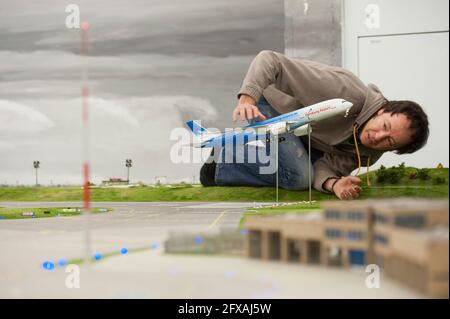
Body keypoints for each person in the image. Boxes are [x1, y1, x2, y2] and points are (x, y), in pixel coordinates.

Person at [200, 50, 429, 200]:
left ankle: (226, 155)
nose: (377, 137)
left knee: (306, 174)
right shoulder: (344, 92)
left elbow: (325, 167)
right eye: (385, 126)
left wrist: (334, 184)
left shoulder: (370, 152)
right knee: (300, 177)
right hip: (269, 103)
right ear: (382, 110)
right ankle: (222, 166)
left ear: (391, 150)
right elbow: (269, 59)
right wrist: (248, 98)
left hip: (304, 133)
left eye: (388, 141)